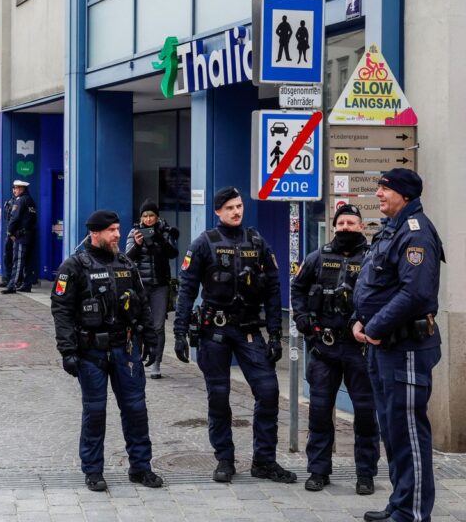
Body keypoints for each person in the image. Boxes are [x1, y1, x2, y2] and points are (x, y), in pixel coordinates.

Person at [172, 186, 296, 485]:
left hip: (249, 330)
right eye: (230, 207)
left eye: (239, 206)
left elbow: (272, 287)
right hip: (214, 329)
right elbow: (187, 288)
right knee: (219, 396)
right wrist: (179, 330)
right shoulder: (204, 243)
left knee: (267, 391)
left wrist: (277, 334)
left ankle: (264, 461)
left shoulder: (257, 241)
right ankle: (224, 459)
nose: (236, 211)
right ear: (218, 211)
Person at [352, 169, 443, 522]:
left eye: (384, 189)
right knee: (392, 430)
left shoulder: (416, 233)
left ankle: (414, 513)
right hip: (384, 346)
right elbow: (377, 285)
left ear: (403, 194)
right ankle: (399, 503)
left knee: (407, 433)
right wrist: (360, 319)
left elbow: (416, 293)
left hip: (405, 347)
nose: (378, 194)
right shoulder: (393, 229)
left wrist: (374, 325)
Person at [51, 210, 164, 492]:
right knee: (95, 411)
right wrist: (67, 350)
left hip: (125, 349)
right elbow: (61, 310)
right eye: (112, 230)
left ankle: (141, 467)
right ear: (95, 233)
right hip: (91, 352)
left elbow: (142, 304)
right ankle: (93, 471)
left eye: (117, 229)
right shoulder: (73, 267)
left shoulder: (125, 262)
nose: (117, 235)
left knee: (136, 409)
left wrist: (150, 340)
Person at [291, 204, 378, 495]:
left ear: (362, 227)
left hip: (359, 350)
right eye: (341, 223)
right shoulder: (317, 257)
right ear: (334, 226)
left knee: (365, 415)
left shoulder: (372, 259)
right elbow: (297, 288)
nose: (346, 228)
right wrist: (301, 318)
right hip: (323, 349)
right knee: (319, 412)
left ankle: (365, 474)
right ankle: (318, 471)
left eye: (352, 223)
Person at [125, 200, 180, 379]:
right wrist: (138, 244)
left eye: (151, 215)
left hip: (160, 286)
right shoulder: (134, 233)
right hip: (140, 285)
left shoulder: (165, 232)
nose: (148, 219)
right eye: (145, 216)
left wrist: (159, 239)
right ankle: (139, 359)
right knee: (139, 325)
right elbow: (126, 259)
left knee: (158, 326)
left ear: (157, 217)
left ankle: (156, 363)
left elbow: (173, 253)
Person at [1, 180, 38, 293]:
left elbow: (14, 218)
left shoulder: (20, 201)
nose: (14, 190)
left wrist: (10, 232)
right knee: (28, 261)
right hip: (30, 234)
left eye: (16, 188)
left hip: (21, 236)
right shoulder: (30, 200)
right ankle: (27, 285)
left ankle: (12, 286)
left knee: (18, 261)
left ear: (21, 189)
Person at [0, 195, 15, 288]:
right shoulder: (12, 200)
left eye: (17, 188)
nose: (15, 190)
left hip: (16, 235)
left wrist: (12, 233)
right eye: (14, 188)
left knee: (16, 259)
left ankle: (14, 282)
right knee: (7, 257)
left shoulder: (23, 200)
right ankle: (7, 279)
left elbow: (17, 219)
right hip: (10, 233)